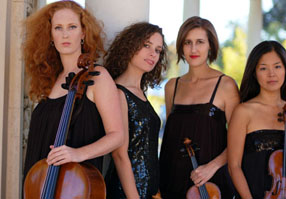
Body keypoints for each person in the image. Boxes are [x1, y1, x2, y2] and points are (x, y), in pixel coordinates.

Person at [23, 0, 124, 182]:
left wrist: (78, 154)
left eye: (72, 27)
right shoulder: (49, 80)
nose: (65, 35)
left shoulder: (97, 76)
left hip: (75, 186)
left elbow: (117, 135)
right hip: (40, 184)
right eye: (58, 28)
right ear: (50, 35)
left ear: (83, 33)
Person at [159, 16, 239, 199]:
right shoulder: (172, 86)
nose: (193, 49)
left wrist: (212, 167)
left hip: (210, 184)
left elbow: (238, 140)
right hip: (172, 180)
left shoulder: (225, 85)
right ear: (181, 46)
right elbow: (171, 137)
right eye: (188, 42)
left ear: (210, 45)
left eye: (200, 42)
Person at [227, 40, 286, 199]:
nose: (271, 74)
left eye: (277, 66)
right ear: (254, 72)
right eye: (263, 68)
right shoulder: (243, 111)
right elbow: (234, 166)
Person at [104, 22, 168, 199]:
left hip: (148, 192)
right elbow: (119, 154)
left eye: (158, 50)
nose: (152, 54)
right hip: (126, 192)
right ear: (131, 46)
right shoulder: (118, 92)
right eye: (146, 45)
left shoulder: (140, 93)